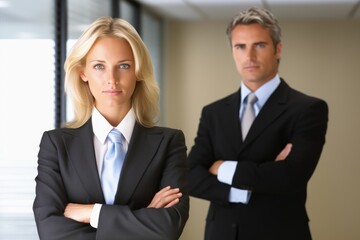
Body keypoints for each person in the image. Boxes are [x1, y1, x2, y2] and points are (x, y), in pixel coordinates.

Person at [33, 16, 189, 240]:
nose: (112, 79)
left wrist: (93, 213)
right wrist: (142, 220)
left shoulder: (168, 143)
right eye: (99, 66)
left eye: (124, 66)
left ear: (137, 72)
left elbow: (168, 227)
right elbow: (50, 230)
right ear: (83, 73)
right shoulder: (56, 145)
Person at [188, 7, 328, 240]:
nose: (249, 56)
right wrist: (240, 191)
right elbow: (190, 175)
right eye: (240, 47)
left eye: (259, 45)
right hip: (221, 233)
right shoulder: (214, 112)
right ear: (232, 51)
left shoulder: (307, 109)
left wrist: (222, 168)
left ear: (278, 49)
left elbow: (291, 177)